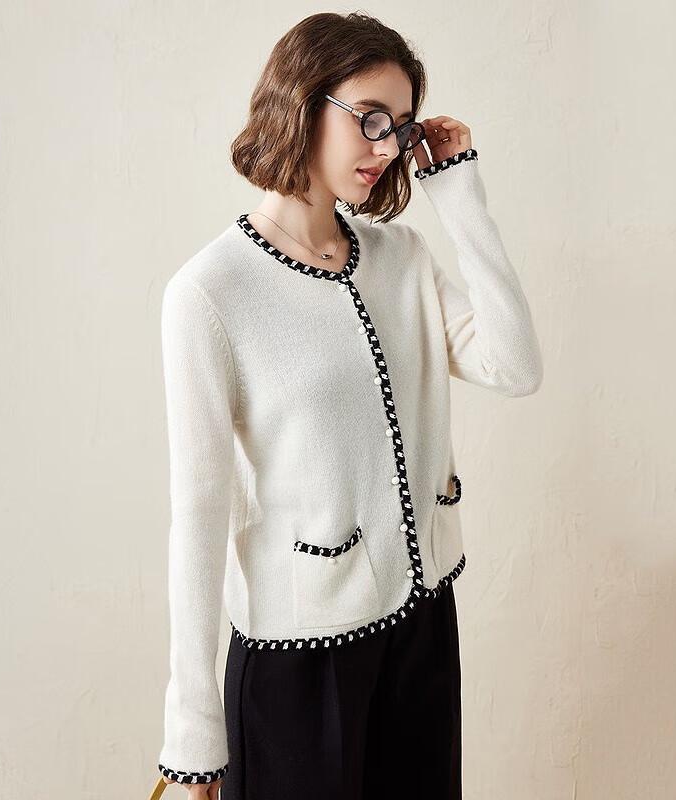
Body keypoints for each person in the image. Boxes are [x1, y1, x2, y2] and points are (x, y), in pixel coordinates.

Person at [157, 11, 543, 799]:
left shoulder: (403, 258)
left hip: (421, 630)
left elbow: (515, 365)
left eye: (399, 126)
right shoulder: (210, 292)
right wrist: (193, 734)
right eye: (369, 117)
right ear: (303, 102)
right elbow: (199, 515)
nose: (387, 146)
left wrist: (458, 192)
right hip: (296, 662)